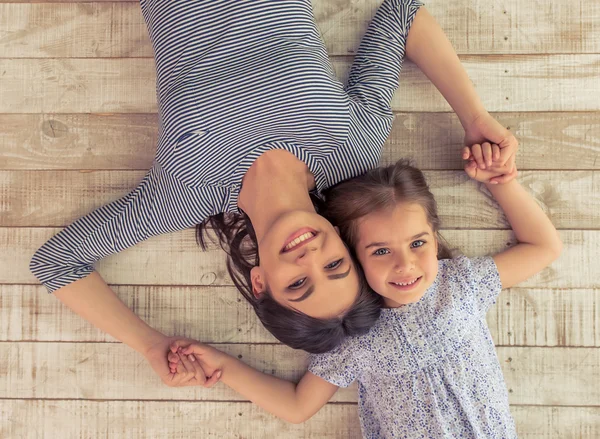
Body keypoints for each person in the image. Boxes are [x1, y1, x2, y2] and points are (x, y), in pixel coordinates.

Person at [29, 0, 517, 386]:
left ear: (260, 282)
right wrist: (476, 118)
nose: (309, 258)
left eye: (297, 284)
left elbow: (56, 263)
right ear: (347, 245)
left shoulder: (186, 192)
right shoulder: (353, 144)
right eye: (334, 266)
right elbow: (403, 14)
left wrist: (149, 344)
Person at [167, 156, 562, 438]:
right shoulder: (353, 336)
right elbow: (297, 406)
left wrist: (502, 181)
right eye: (380, 251)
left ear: (434, 236)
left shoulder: (459, 285)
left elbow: (543, 247)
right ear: (350, 258)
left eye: (419, 243)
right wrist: (223, 367)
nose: (405, 266)